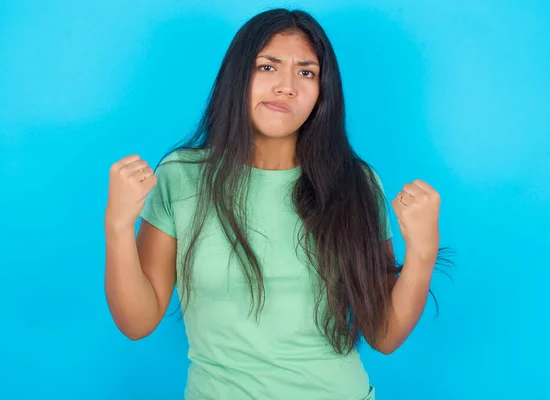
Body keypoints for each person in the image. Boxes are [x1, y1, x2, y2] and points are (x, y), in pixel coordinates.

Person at [104, 8, 444, 400]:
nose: (286, 86)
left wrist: (423, 251)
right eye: (268, 67)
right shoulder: (181, 176)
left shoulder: (355, 184)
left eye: (306, 72)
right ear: (238, 77)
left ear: (322, 92)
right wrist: (117, 226)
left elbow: (384, 335)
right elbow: (137, 322)